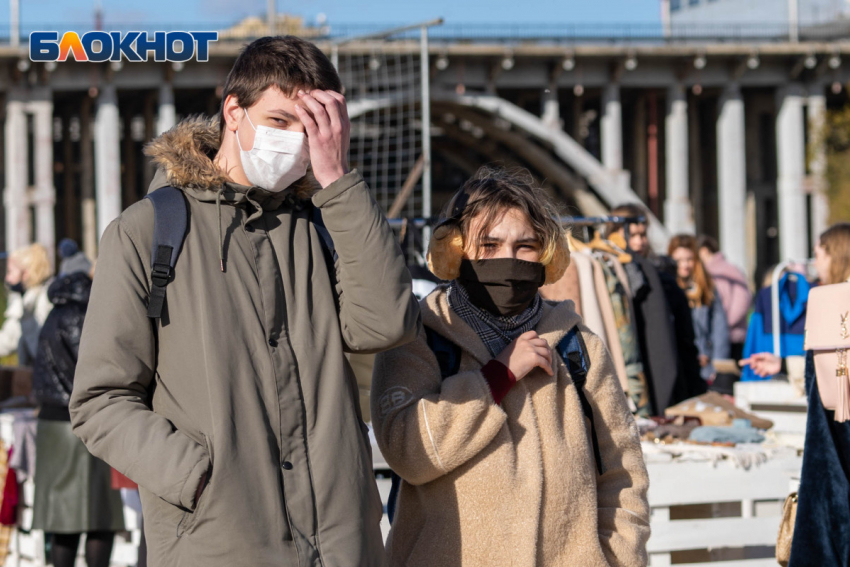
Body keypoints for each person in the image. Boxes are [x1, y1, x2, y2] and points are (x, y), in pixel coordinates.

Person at [69, 36, 421, 567]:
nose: (296, 141)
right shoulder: (148, 231)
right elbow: (100, 400)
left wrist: (338, 180)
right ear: (234, 111)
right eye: (281, 121)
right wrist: (196, 477)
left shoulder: (326, 224)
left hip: (340, 541)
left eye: (312, 128)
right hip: (219, 542)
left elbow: (386, 324)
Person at [372, 168, 650, 567]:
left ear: (547, 254)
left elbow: (623, 472)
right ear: (456, 249)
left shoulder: (578, 343)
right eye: (489, 244)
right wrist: (495, 378)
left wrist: (616, 558)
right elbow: (409, 452)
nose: (508, 258)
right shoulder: (418, 336)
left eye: (526, 246)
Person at [32, 250, 124, 567]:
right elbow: (98, 370)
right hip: (81, 425)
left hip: (52, 424)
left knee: (64, 523)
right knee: (100, 517)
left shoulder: (57, 311)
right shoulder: (83, 313)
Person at [780, 222, 850, 567]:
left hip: (830, 447)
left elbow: (816, 381)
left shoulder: (827, 304)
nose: (814, 260)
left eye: (819, 251)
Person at [605, 204, 705, 412]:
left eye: (643, 235)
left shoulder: (655, 276)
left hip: (658, 379)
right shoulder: (605, 270)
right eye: (632, 235)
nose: (639, 241)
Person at [741, 223, 850, 382]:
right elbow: (831, 364)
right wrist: (783, 364)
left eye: (817, 255)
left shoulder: (839, 300)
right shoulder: (835, 297)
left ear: (833, 256)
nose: (814, 263)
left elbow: (839, 366)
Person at [668, 234, 731, 386]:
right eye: (678, 260)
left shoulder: (706, 287)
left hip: (705, 366)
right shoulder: (667, 288)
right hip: (676, 364)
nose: (684, 265)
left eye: (689, 259)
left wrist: (718, 364)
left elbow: (719, 328)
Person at [698, 235, 752, 361]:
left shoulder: (728, 270)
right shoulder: (703, 272)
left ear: (705, 250)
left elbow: (742, 299)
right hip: (711, 336)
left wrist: (723, 323)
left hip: (731, 334)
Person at [0, 243, 54, 365]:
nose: (7, 279)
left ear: (26, 273)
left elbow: (44, 349)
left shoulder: (44, 301)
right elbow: (8, 338)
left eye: (10, 272)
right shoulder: (25, 301)